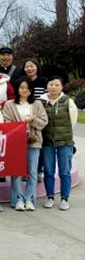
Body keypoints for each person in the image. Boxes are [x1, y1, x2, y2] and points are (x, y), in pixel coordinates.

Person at [2, 77, 48, 211]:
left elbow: (44, 122)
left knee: (32, 171)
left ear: (31, 90)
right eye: (21, 87)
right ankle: (18, 199)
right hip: (16, 142)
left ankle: (29, 199)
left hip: (34, 140)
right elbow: (6, 121)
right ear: (17, 89)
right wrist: (19, 127)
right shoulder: (9, 104)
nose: (24, 90)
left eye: (27, 88)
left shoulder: (37, 104)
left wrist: (33, 119)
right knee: (16, 171)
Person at [40, 76, 78, 211]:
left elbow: (73, 122)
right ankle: (50, 197)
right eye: (51, 84)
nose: (53, 87)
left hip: (65, 142)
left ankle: (64, 198)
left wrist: (64, 135)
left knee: (64, 171)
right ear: (47, 86)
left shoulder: (68, 101)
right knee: (48, 171)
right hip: (47, 142)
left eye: (57, 85)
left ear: (61, 87)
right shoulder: (41, 101)